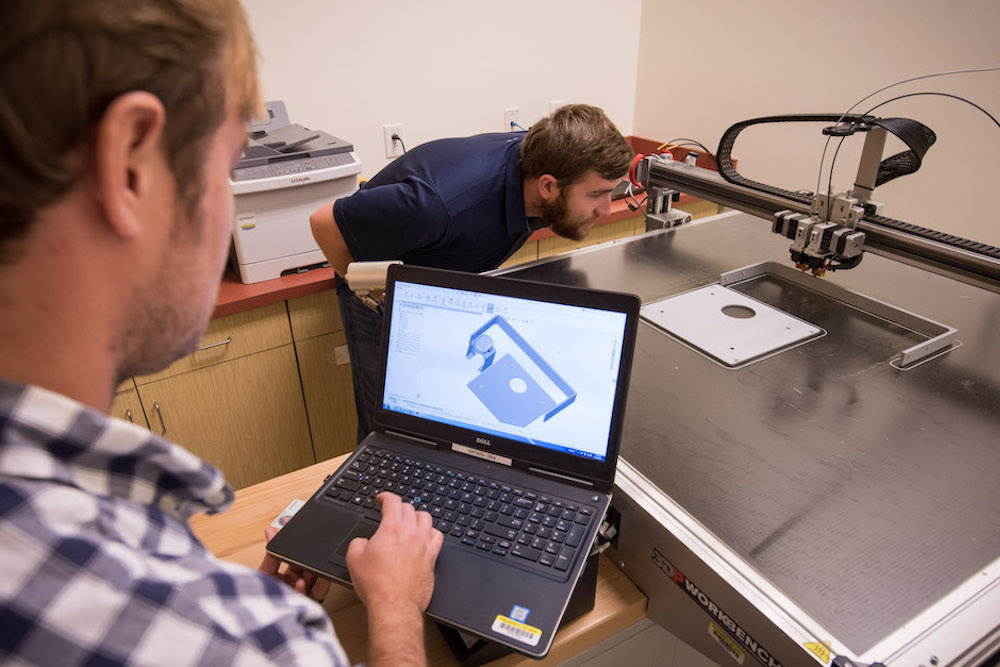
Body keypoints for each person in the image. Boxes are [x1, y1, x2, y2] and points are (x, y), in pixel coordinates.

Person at [0, 2, 442, 666]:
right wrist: (397, 607)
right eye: (228, 167)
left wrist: (232, 606)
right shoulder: (245, 641)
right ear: (130, 166)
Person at [310, 104, 633, 441]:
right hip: (380, 292)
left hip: (441, 276)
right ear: (548, 186)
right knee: (392, 426)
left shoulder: (545, 161)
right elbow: (324, 223)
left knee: (444, 406)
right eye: (597, 194)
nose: (607, 209)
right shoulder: (437, 206)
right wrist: (375, 296)